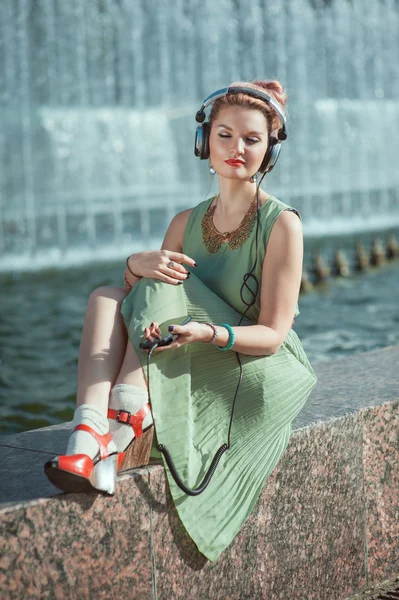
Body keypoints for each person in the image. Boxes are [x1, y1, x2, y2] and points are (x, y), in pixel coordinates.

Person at [44, 79, 318, 562]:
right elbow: (139, 305)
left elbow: (274, 335)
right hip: (187, 346)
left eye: (252, 139)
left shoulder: (281, 223)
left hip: (252, 365)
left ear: (269, 151)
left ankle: (121, 428)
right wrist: (134, 266)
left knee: (160, 281)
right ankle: (90, 431)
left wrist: (207, 332)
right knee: (108, 296)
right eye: (225, 135)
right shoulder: (184, 222)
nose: (237, 149)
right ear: (204, 142)